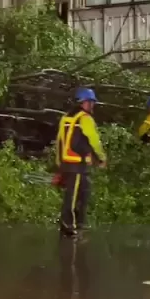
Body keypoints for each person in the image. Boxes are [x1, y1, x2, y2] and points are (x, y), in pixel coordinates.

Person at [55, 87, 107, 237]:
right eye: (91, 102)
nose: (93, 105)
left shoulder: (66, 118)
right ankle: (68, 227)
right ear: (84, 102)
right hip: (77, 165)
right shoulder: (85, 118)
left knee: (82, 194)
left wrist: (59, 163)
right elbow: (94, 140)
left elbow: (60, 141)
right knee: (73, 197)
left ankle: (79, 224)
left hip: (70, 164)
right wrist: (102, 157)